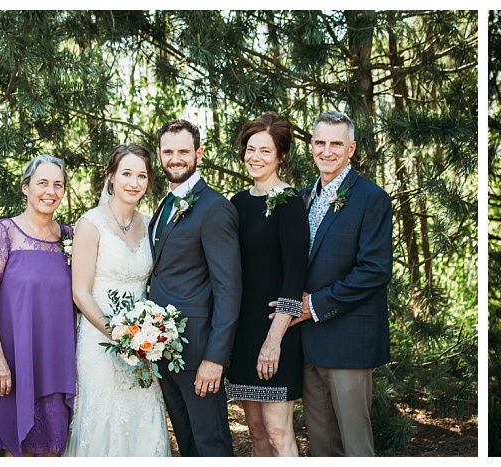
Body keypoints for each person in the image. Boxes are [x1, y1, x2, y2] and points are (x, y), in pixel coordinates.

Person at [290, 111, 392, 456]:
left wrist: (314, 305)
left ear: (351, 148)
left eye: (336, 143)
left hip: (348, 340)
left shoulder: (370, 198)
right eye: (320, 142)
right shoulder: (302, 198)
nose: (327, 150)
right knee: (321, 444)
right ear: (312, 146)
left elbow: (374, 271)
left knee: (355, 445)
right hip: (307, 342)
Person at [65, 144, 173, 457]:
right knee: (102, 417)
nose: (134, 182)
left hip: (144, 344)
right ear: (111, 177)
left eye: (141, 175)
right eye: (126, 173)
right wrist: (118, 335)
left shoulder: (152, 224)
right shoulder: (90, 223)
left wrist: (146, 336)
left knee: (142, 414)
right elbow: (80, 292)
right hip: (99, 343)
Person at [0, 155, 77, 456]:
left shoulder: (70, 239)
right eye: (42, 183)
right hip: (15, 362)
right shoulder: (4, 233)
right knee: (17, 452)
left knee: (54, 452)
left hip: (55, 363)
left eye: (58, 184)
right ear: (25, 187)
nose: (50, 191)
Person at [147, 119, 241, 457]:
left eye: (183, 151)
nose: (176, 158)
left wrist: (215, 358)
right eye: (168, 151)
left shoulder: (215, 208)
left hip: (199, 350)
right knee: (187, 443)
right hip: (164, 349)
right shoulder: (164, 205)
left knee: (211, 442)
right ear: (159, 155)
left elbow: (229, 289)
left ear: (198, 153)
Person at [225, 113, 310, 457]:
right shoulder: (237, 203)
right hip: (243, 332)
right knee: (257, 433)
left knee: (278, 432)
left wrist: (273, 342)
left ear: (281, 156)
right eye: (250, 149)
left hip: (278, 333)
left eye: (265, 150)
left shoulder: (290, 204)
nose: (255, 157)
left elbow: (294, 279)